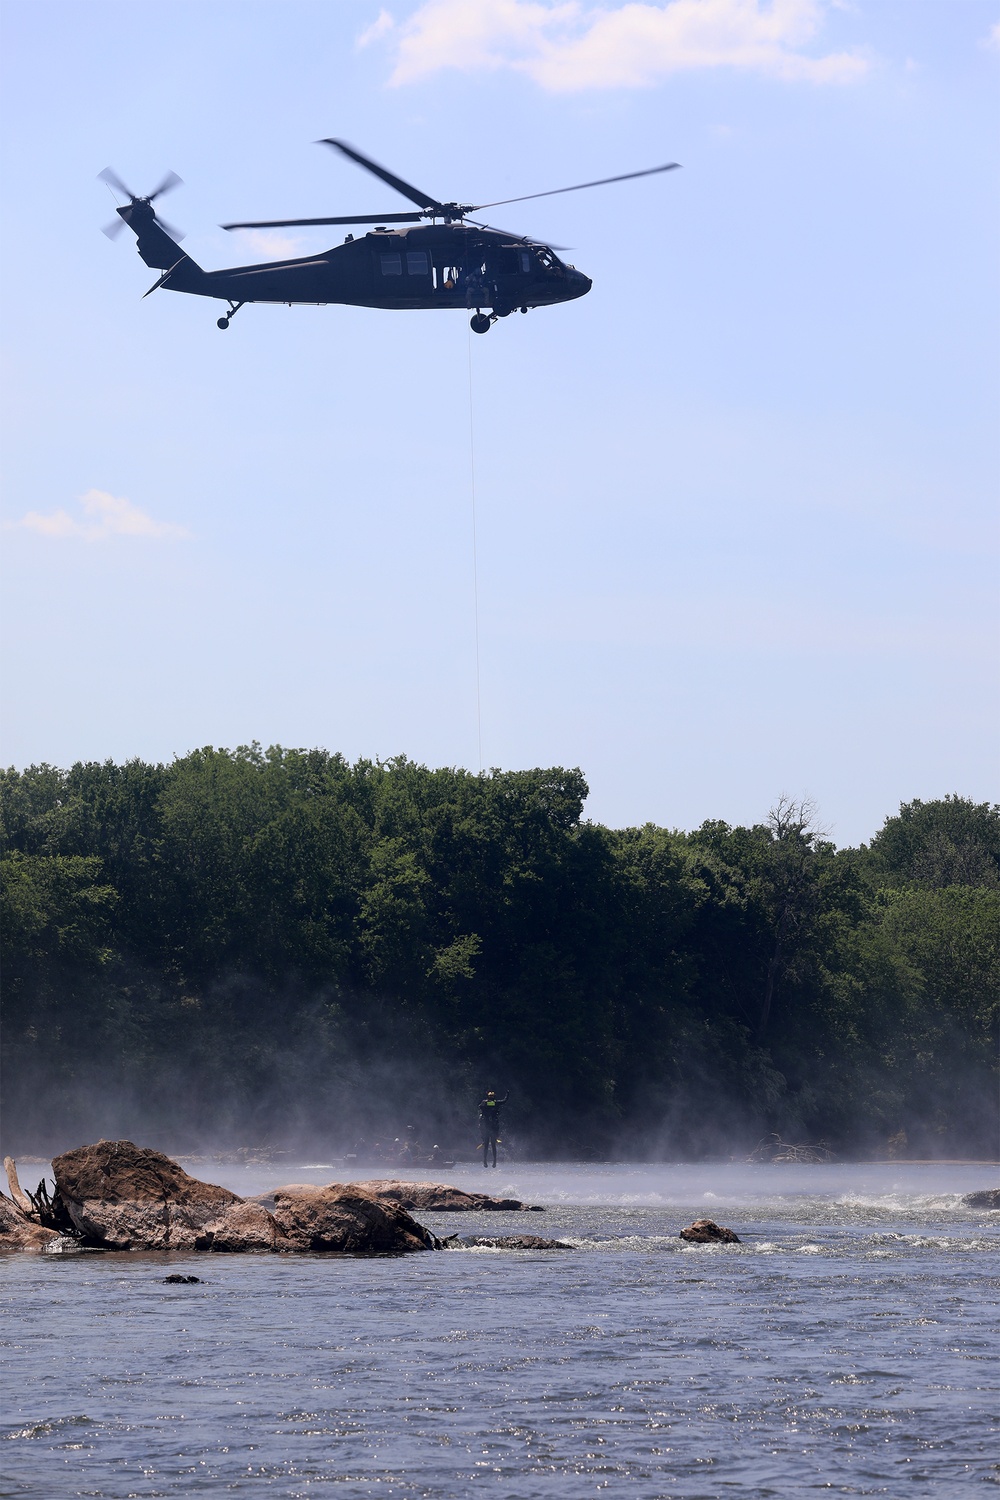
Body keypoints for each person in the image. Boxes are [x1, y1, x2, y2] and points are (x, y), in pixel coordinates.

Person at [478, 1089, 509, 1169]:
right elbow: (504, 1101)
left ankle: (488, 1161)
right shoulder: (495, 1103)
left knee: (487, 1144)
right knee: (492, 1144)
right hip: (490, 1126)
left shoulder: (485, 1102)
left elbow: (480, 1107)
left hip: (490, 1126)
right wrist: (507, 1094)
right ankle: (490, 1162)